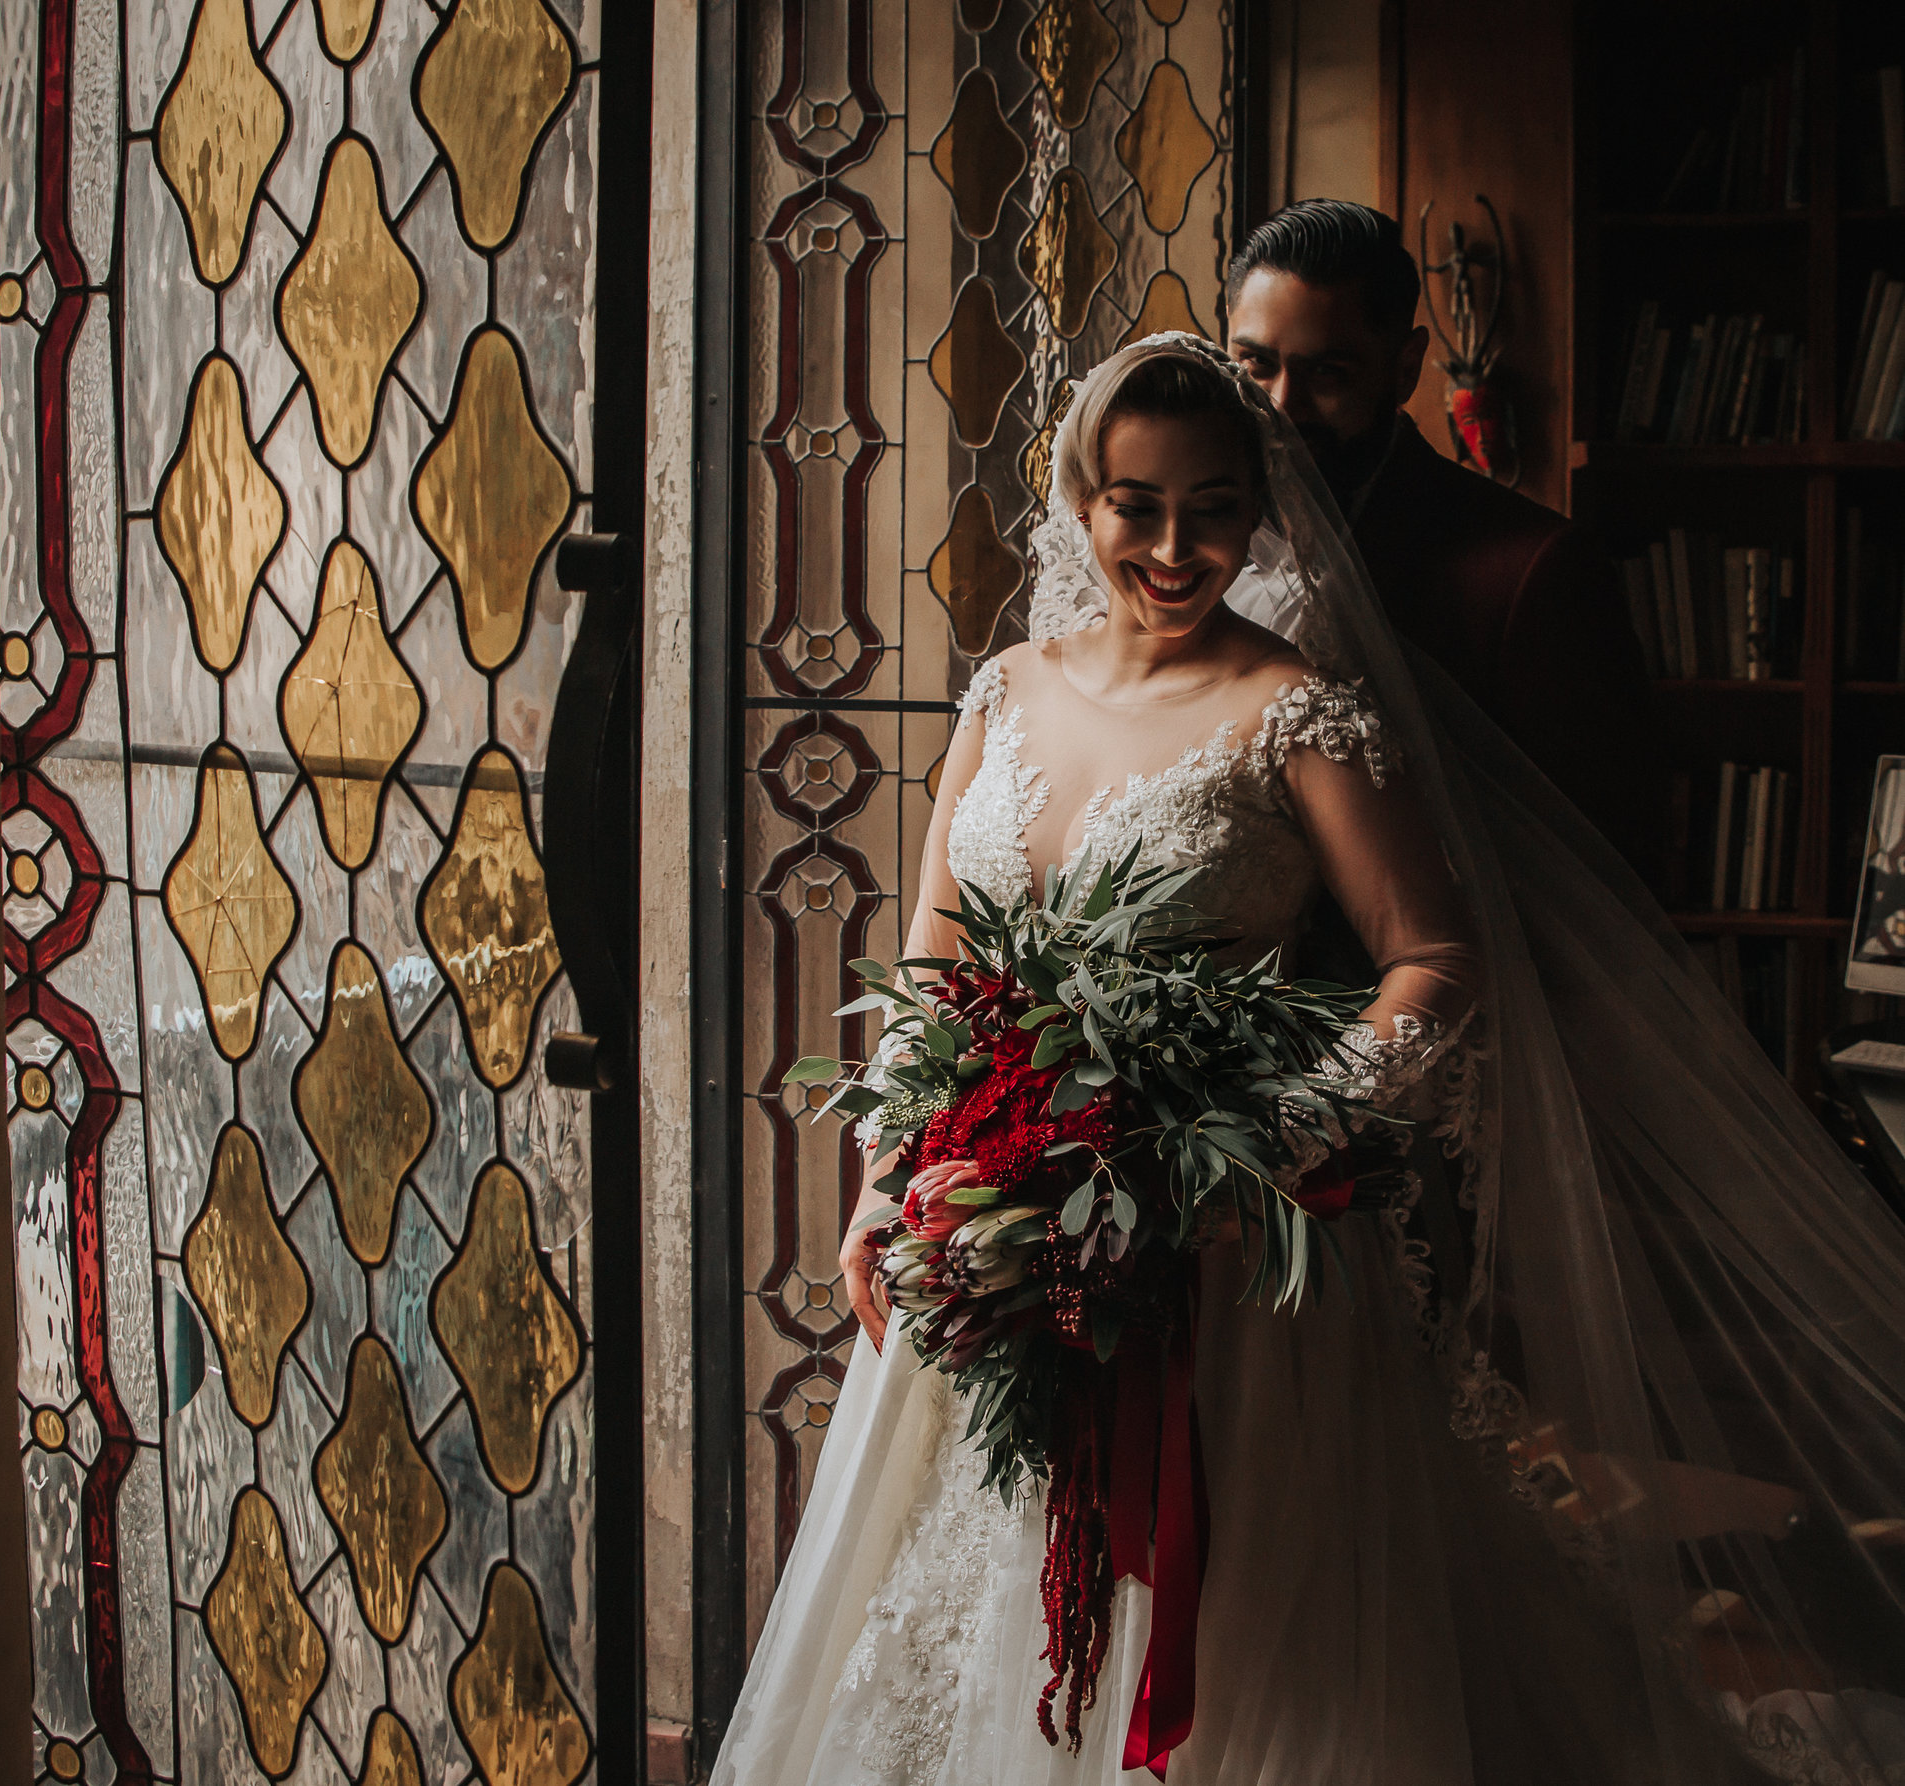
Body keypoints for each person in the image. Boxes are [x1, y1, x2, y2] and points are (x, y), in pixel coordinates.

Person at [710, 335, 1905, 1785]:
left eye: (1212, 505)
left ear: (1258, 508)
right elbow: (938, 962)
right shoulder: (1003, 691)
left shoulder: (1297, 710)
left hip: (1224, 1274)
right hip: (1005, 1243)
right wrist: (889, 1176)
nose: (1172, 545)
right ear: (1080, 502)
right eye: (1136, 504)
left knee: (1247, 1652)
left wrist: (1257, 1140)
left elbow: (1438, 962)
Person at [1225, 199, 1665, 881]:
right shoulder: (1190, 548)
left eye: (1327, 375)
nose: (1281, 410)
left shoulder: (1535, 571)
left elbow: (1607, 868)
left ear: (1405, 368)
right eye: (1255, 366)